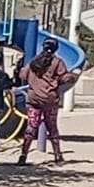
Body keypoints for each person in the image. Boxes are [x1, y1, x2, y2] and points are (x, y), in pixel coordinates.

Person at [17, 38, 77, 166]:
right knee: (52, 128)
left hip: (33, 99)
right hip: (49, 100)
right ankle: (57, 156)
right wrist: (74, 75)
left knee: (31, 127)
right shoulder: (57, 62)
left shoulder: (34, 62)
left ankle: (23, 155)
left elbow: (22, 75)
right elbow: (64, 78)